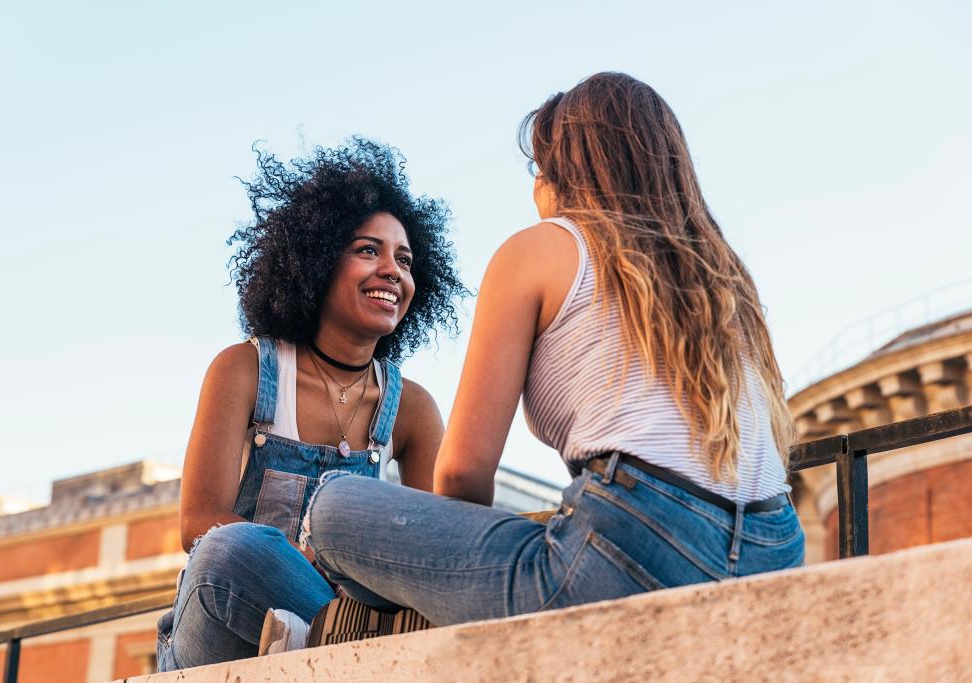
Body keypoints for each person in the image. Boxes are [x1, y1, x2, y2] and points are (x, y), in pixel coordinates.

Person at [303, 72, 805, 627]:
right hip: (776, 548)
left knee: (335, 506)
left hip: (634, 548)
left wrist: (448, 567)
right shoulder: (724, 276)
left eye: (537, 169)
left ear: (562, 171)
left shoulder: (543, 247)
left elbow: (462, 475)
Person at [155, 138, 467, 671]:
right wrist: (314, 578)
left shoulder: (412, 409)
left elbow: (429, 553)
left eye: (405, 259)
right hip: (227, 620)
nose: (393, 270)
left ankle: (332, 639)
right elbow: (198, 521)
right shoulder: (245, 369)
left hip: (346, 622)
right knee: (230, 549)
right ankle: (347, 639)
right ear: (316, 261)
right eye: (368, 250)